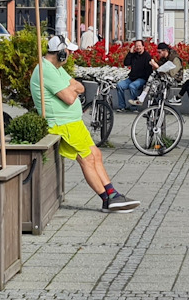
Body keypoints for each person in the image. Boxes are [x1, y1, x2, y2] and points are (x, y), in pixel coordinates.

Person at [31, 34, 139, 212]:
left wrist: (72, 88)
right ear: (61, 53)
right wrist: (72, 90)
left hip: (72, 123)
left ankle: (112, 194)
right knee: (86, 158)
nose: (69, 55)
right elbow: (68, 97)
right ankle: (107, 199)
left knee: (95, 154)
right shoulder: (46, 71)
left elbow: (78, 86)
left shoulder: (55, 68)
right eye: (67, 51)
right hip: (62, 124)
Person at [116, 40, 152, 110]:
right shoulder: (134, 55)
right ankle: (122, 106)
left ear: (143, 47)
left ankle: (134, 106)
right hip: (132, 78)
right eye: (136, 46)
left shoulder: (147, 56)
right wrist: (130, 53)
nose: (138, 47)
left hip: (142, 78)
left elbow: (149, 71)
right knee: (119, 85)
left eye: (139, 46)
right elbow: (126, 63)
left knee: (132, 86)